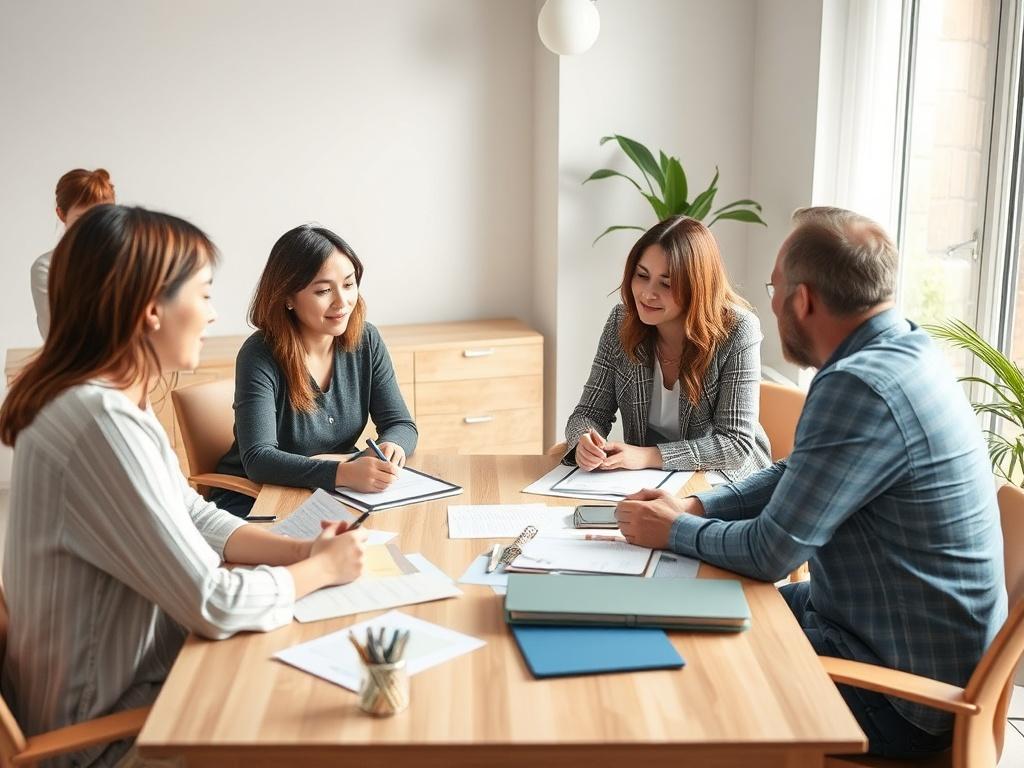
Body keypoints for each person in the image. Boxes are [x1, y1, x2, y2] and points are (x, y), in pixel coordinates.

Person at [615, 206, 1007, 758]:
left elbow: (770, 552)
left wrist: (673, 530)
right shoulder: (907, 351)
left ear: (802, 301)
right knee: (686, 610)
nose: (771, 304)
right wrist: (697, 508)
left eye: (775, 289)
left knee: (681, 678)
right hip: (876, 629)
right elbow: (798, 472)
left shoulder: (857, 386)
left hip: (900, 697)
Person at [0, 205, 367, 768]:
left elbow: (192, 513)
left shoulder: (110, 399)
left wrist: (299, 552)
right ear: (151, 311)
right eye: (204, 294)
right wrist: (319, 571)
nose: (213, 314)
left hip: (145, 685)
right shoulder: (99, 422)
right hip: (108, 736)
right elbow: (214, 603)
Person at [210, 225, 417, 518]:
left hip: (330, 492)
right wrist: (343, 473)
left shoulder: (366, 340)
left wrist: (392, 445)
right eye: (323, 291)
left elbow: (401, 424)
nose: (342, 302)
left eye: (349, 284)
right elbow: (258, 459)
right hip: (255, 495)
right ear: (287, 297)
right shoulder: (260, 354)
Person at [563, 215, 770, 480]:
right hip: (650, 479)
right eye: (642, 275)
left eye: (666, 284)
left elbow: (734, 445)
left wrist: (648, 456)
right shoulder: (621, 322)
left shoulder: (738, 330)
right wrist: (584, 440)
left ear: (697, 287)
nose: (647, 294)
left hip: (725, 479)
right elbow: (589, 413)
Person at [31, 167, 116, 337]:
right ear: (61, 214)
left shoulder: (130, 257)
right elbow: (56, 335)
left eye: (103, 215)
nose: (95, 225)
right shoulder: (48, 267)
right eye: (83, 218)